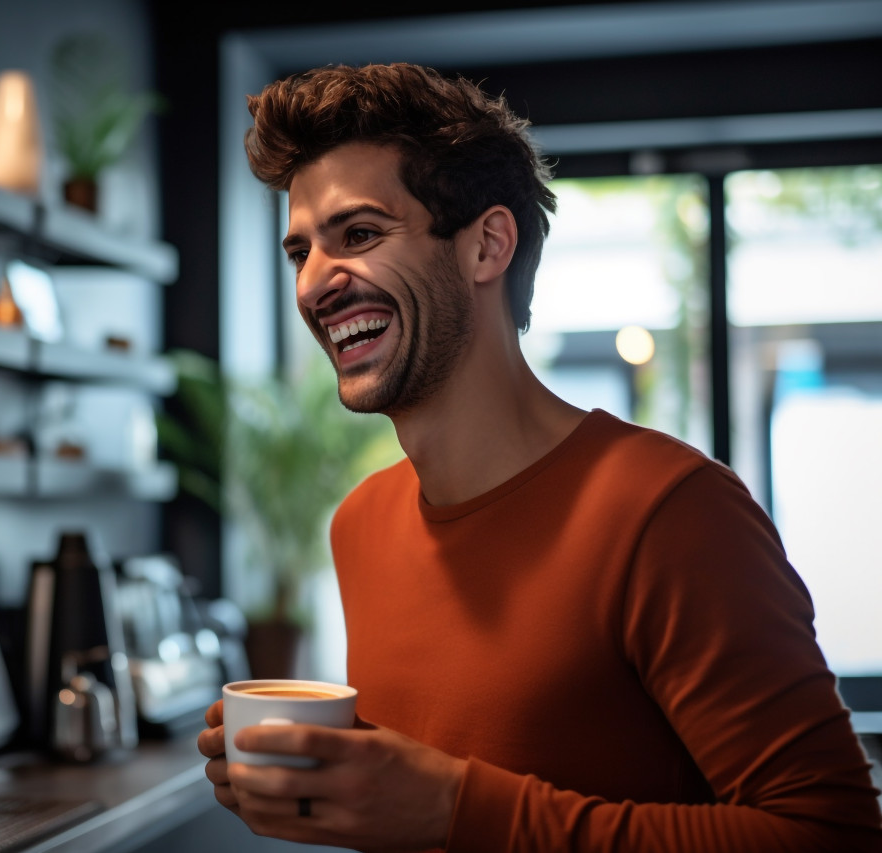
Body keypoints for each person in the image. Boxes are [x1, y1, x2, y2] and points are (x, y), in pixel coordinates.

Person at [196, 63, 882, 852]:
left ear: (487, 245)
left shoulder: (671, 510)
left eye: (359, 234)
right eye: (299, 252)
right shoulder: (361, 524)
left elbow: (834, 833)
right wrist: (337, 779)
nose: (315, 282)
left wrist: (456, 809)